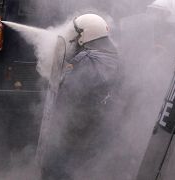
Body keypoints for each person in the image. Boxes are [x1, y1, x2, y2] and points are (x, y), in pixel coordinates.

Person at [40, 13, 122, 180]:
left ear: (85, 36)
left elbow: (66, 91)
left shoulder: (84, 59)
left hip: (76, 127)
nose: (74, 38)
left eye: (77, 34)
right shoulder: (115, 57)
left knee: (56, 169)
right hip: (101, 128)